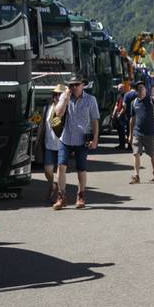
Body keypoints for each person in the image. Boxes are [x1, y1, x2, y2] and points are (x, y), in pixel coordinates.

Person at [53, 75, 100, 210]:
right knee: (61, 166)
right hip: (65, 138)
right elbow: (58, 113)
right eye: (71, 85)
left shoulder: (91, 100)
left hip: (82, 139)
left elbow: (94, 120)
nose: (73, 87)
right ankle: (61, 197)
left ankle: (81, 196)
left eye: (76, 85)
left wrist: (95, 139)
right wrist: (66, 98)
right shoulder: (65, 97)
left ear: (82, 85)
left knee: (81, 169)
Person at [129, 81, 154, 184]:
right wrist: (130, 134)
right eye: (138, 89)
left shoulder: (152, 101)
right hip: (137, 132)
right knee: (136, 153)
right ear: (136, 91)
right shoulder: (134, 103)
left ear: (145, 89)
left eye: (142, 88)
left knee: (152, 154)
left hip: (150, 132)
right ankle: (136, 176)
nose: (140, 90)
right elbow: (132, 119)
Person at [37, 84, 65, 204]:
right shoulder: (47, 108)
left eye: (60, 95)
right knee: (47, 170)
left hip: (62, 144)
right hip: (48, 143)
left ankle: (60, 193)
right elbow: (43, 124)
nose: (57, 97)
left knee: (60, 170)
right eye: (56, 94)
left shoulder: (67, 108)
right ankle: (52, 185)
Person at [121, 84, 138, 151]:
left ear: (130, 87)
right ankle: (137, 145)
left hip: (129, 115)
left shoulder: (127, 94)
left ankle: (130, 145)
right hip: (138, 115)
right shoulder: (138, 94)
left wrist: (123, 112)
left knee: (129, 130)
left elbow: (124, 105)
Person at [114, 84, 129, 150]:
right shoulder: (118, 95)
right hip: (119, 115)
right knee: (120, 131)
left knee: (125, 131)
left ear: (124, 88)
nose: (120, 89)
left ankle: (128, 145)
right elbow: (116, 105)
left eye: (121, 88)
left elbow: (124, 106)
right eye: (119, 88)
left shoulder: (126, 95)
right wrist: (113, 114)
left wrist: (120, 113)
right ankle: (121, 144)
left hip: (124, 115)